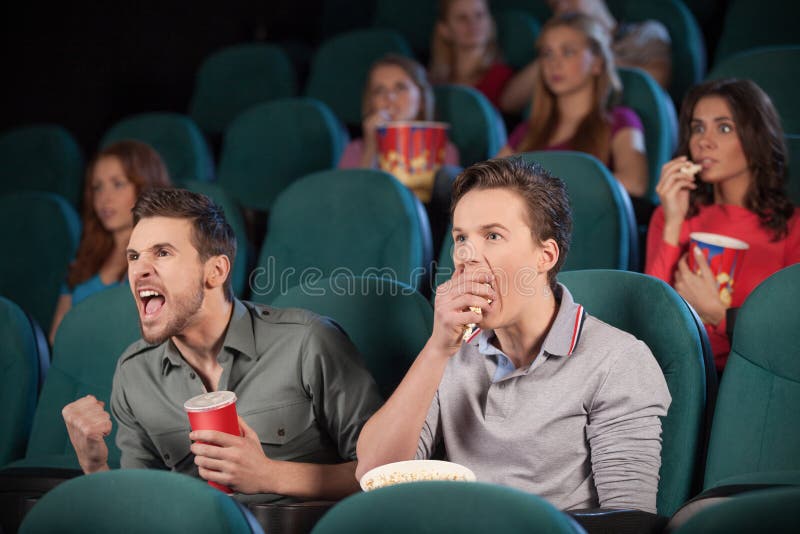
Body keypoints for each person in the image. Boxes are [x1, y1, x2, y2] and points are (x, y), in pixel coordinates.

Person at [356, 157, 671, 513]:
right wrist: (436, 349)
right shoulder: (449, 351)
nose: (467, 257)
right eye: (461, 238)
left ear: (545, 255)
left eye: (492, 235)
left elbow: (628, 522)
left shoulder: (618, 360)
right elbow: (374, 474)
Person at [61, 188, 383, 501]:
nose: (139, 270)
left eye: (162, 253)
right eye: (134, 256)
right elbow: (141, 512)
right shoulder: (134, 373)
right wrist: (95, 467)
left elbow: (384, 474)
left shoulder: (308, 342)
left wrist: (271, 475)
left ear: (215, 271)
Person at [646, 78, 800, 373]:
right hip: (680, 373)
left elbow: (789, 338)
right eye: (698, 127)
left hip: (756, 378)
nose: (704, 141)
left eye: (724, 127)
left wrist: (719, 315)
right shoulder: (672, 214)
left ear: (756, 138)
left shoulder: (794, 228)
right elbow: (651, 320)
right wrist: (673, 223)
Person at [497, 13, 648, 199]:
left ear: (597, 63)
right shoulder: (529, 130)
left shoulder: (621, 120)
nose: (554, 64)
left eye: (568, 52)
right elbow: (487, 181)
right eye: (547, 54)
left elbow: (635, 182)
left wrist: (544, 188)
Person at [49, 140, 171, 345]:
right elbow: (56, 337)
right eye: (97, 187)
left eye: (118, 184)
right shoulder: (85, 255)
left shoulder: (163, 256)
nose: (104, 198)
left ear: (145, 187)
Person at [500, 0, 671, 113]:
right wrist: (556, 48)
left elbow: (655, 80)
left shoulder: (645, 33)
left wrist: (589, 57)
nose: (564, 9)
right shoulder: (557, 54)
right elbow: (509, 101)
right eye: (556, 6)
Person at [339, 54, 459, 172]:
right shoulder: (354, 150)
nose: (390, 97)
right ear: (371, 102)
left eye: (400, 88)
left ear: (422, 99)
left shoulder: (444, 150)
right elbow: (357, 191)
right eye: (379, 91)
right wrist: (371, 149)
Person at [428, 0, 514, 110]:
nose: (473, 24)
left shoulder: (503, 76)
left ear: (490, 22)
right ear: (444, 29)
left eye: (479, 15)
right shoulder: (433, 82)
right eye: (462, 18)